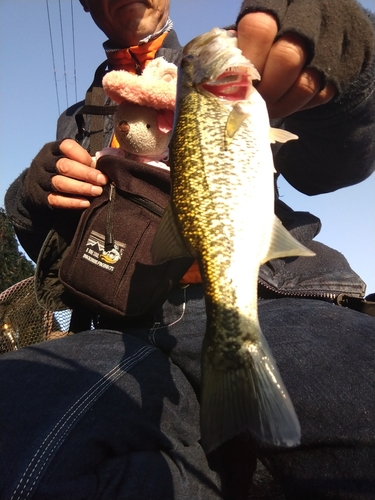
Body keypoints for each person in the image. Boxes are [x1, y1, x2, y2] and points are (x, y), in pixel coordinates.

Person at [1, 0, 375, 498]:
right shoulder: (75, 120)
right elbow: (50, 252)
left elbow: (330, 164)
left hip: (272, 297)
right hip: (122, 329)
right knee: (22, 433)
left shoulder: (231, 67)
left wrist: (347, 80)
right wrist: (32, 197)